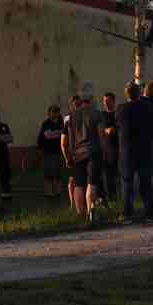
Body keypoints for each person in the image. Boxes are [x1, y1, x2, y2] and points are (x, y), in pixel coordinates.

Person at [116, 81, 153, 222]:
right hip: (144, 148)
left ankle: (126, 214)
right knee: (146, 182)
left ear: (126, 94)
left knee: (127, 182)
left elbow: (117, 125)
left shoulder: (121, 109)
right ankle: (149, 213)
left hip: (127, 150)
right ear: (139, 93)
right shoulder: (148, 107)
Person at [63, 94, 102, 223]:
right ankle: (91, 213)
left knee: (79, 184)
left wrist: (67, 157)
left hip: (77, 154)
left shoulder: (70, 118)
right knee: (92, 183)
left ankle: (80, 215)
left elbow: (64, 142)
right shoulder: (95, 114)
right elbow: (101, 133)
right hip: (92, 152)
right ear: (90, 101)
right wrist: (106, 149)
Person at [37, 105, 65, 197]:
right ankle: (49, 192)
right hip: (47, 152)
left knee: (58, 173)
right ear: (49, 113)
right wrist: (59, 133)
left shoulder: (62, 123)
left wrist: (55, 133)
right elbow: (48, 136)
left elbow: (65, 134)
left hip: (59, 152)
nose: (54, 114)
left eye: (56, 111)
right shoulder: (46, 124)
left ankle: (58, 192)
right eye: (52, 112)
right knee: (48, 174)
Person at [99, 91, 120, 203]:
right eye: (104, 101)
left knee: (119, 176)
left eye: (108, 101)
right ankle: (111, 199)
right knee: (108, 177)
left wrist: (110, 130)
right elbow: (101, 130)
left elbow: (115, 129)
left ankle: (121, 198)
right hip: (106, 150)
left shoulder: (118, 114)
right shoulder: (101, 115)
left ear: (113, 101)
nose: (106, 103)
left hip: (118, 148)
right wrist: (107, 130)